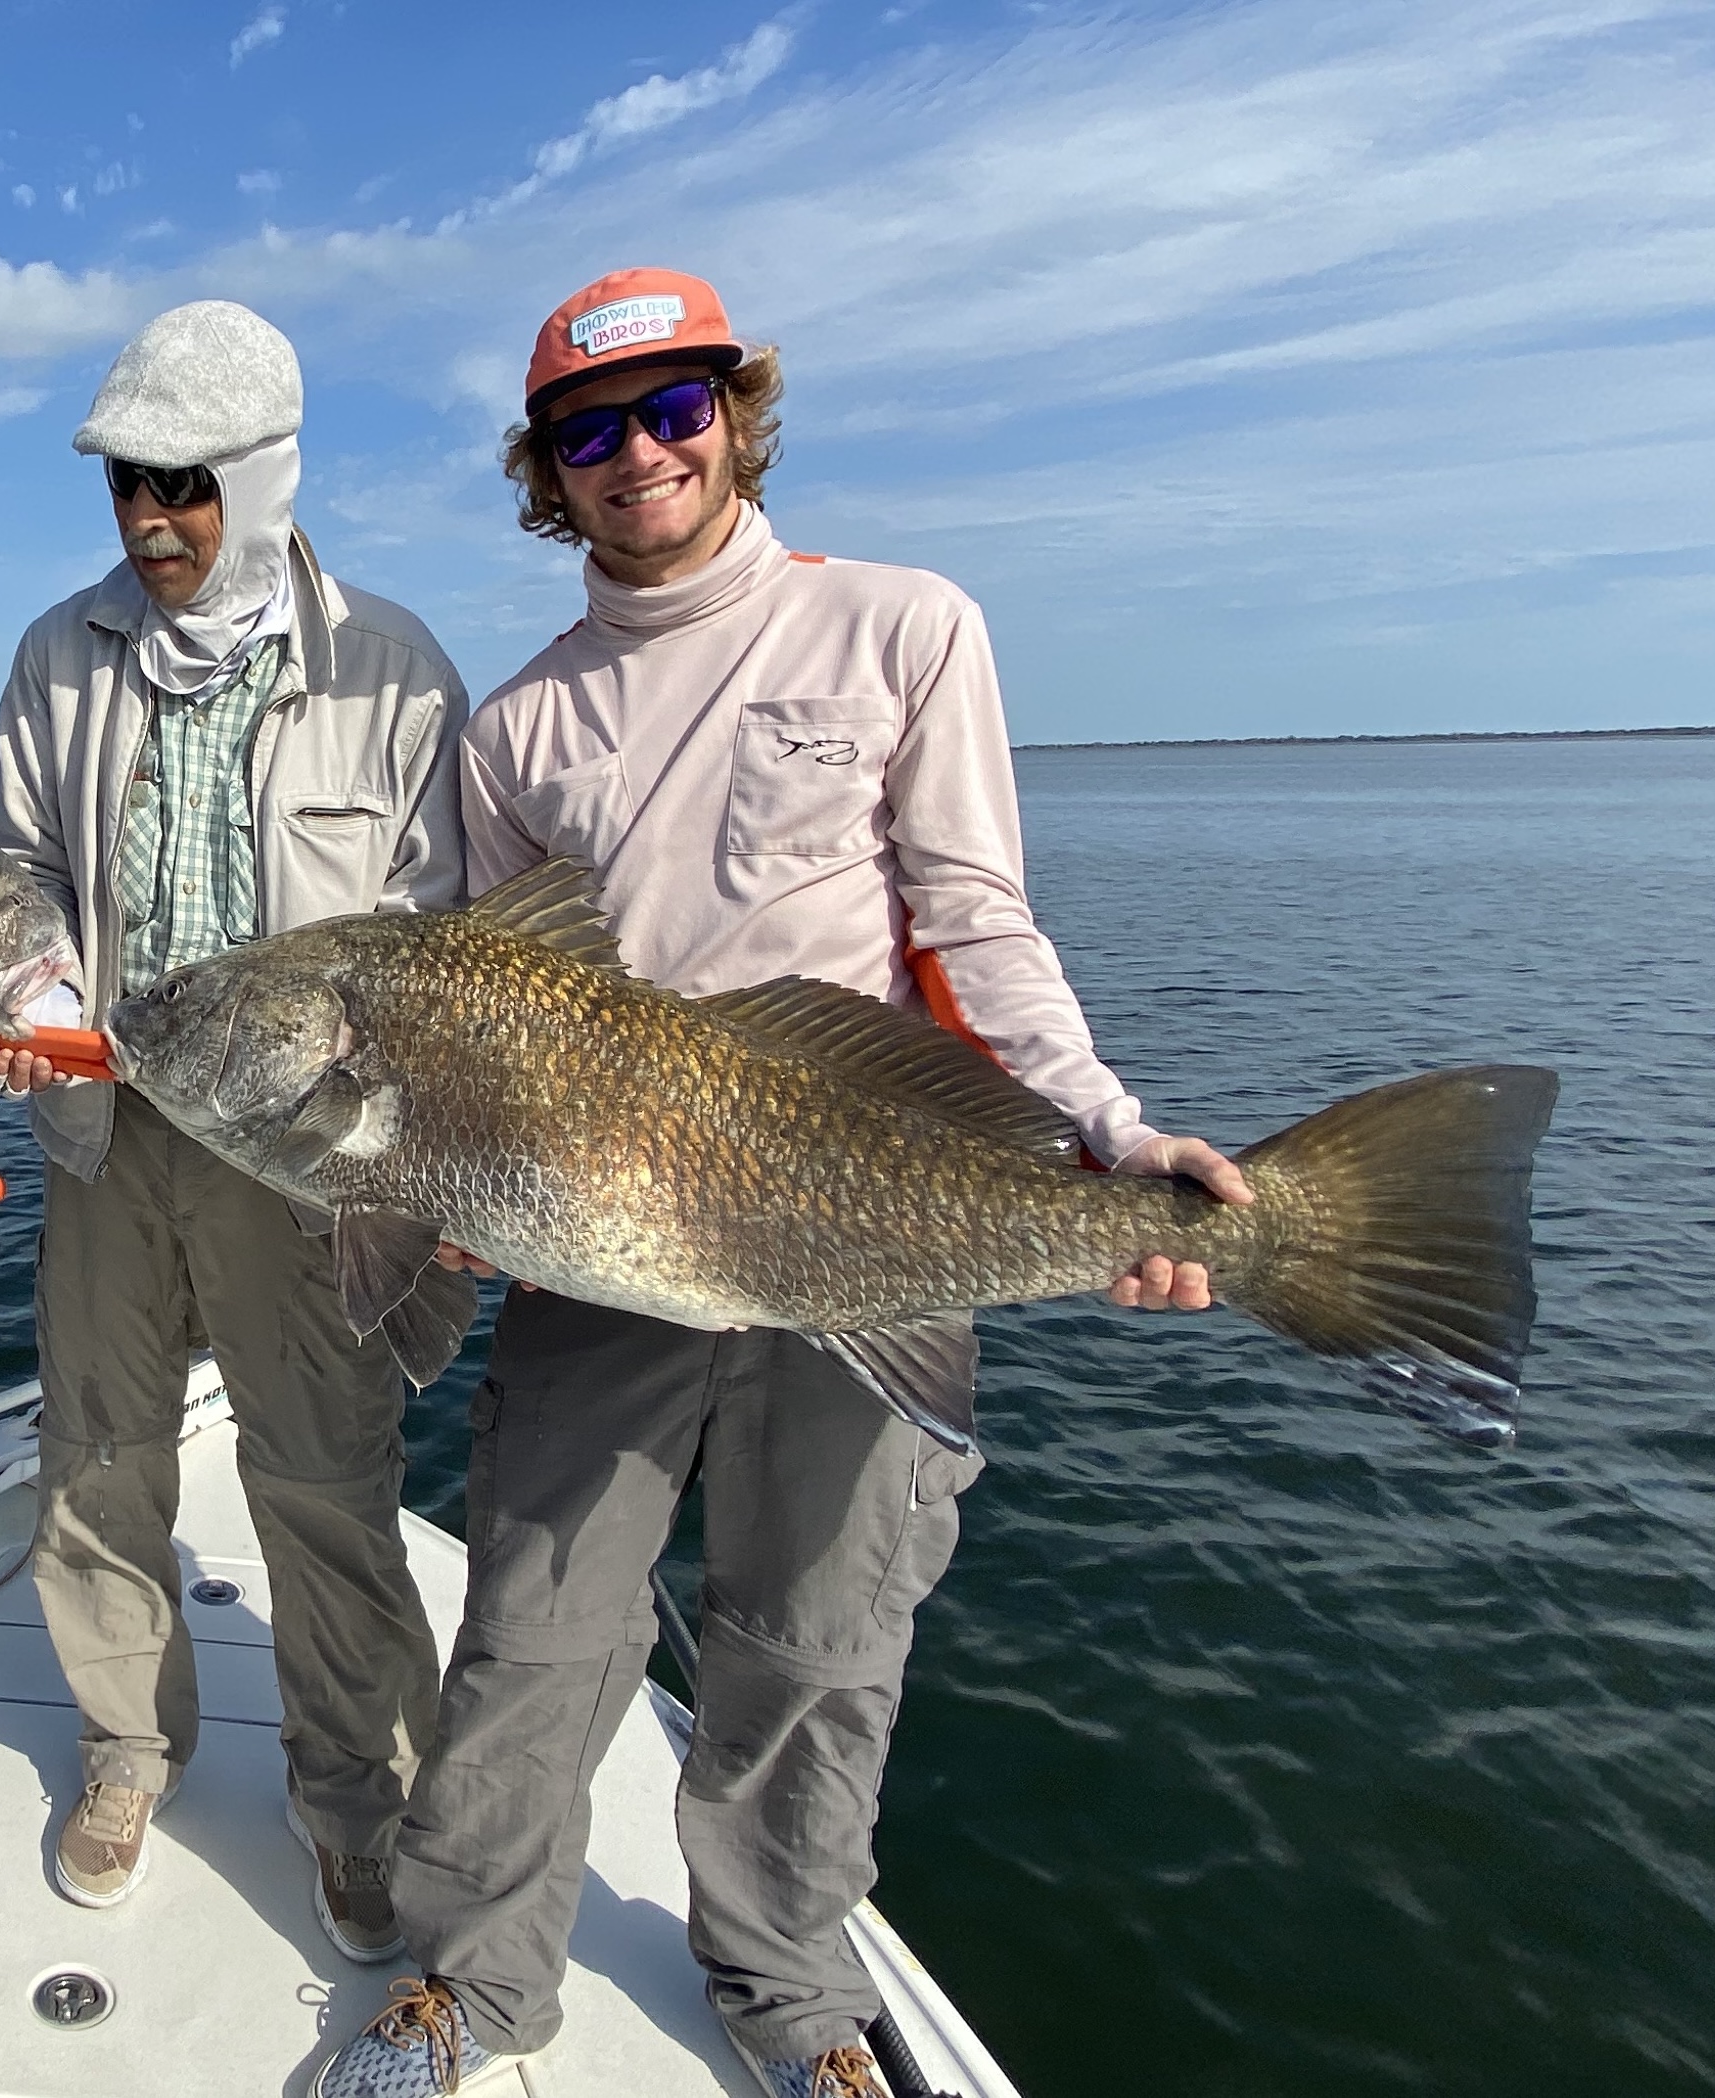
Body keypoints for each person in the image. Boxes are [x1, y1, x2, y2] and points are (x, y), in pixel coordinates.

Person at [318, 271, 1252, 2098]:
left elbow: (977, 918)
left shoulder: (903, 625)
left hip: (861, 1205)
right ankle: (474, 1977)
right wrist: (427, 1165)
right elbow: (478, 1007)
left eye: (674, 410)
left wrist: (1112, 1134)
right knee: (533, 1620)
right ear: (544, 472)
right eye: (588, 431)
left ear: (739, 416)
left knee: (820, 1640)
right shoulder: (512, 730)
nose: (637, 454)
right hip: (601, 1228)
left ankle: (792, 1990)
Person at [0, 301, 470, 1965]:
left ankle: (353, 1793)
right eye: (124, 484)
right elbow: (23, 877)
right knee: (98, 1457)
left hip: (307, 1158)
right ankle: (128, 1745)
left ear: (263, 477)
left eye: (184, 483)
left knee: (326, 1480)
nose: (149, 520)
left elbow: (433, 945)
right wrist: (37, 998)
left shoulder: (397, 672)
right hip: (104, 1126)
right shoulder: (55, 656)